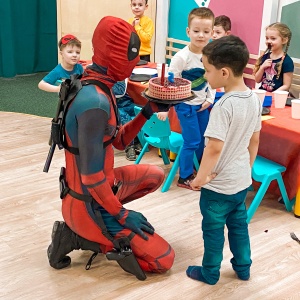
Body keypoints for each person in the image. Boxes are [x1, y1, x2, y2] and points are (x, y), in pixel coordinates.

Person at [46, 16, 174, 278]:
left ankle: (101, 227)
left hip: (102, 188)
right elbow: (91, 177)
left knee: (155, 176)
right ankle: (77, 237)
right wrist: (123, 215)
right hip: (86, 204)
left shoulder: (98, 84)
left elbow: (118, 141)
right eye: (130, 58)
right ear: (116, 56)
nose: (133, 65)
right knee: (163, 260)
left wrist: (147, 112)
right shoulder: (95, 102)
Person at [186, 35, 262, 285]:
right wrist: (247, 169)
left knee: (213, 231)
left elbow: (214, 149)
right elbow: (254, 140)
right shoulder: (254, 98)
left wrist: (200, 178)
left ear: (225, 72)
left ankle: (209, 273)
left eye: (208, 71)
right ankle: (243, 267)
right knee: (239, 227)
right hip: (240, 182)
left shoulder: (223, 106)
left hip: (217, 187)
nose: (206, 76)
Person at [158, 7, 216, 190]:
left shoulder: (212, 55)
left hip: (202, 105)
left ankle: (198, 169)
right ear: (188, 31)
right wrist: (165, 108)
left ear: (212, 33)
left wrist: (211, 98)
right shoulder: (181, 58)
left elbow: (214, 77)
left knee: (203, 139)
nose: (201, 35)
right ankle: (184, 176)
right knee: (191, 141)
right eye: (196, 31)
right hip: (186, 105)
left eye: (206, 32)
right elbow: (169, 84)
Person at [253, 22, 294, 92]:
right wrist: (262, 67)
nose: (268, 41)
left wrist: (273, 94)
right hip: (263, 93)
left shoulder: (287, 61)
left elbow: (286, 86)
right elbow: (257, 80)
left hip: (277, 96)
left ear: (284, 40)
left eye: (273, 38)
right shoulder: (265, 57)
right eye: (267, 38)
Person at [112, 80, 142, 161]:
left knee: (140, 110)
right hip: (112, 104)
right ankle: (130, 145)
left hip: (126, 102)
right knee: (123, 116)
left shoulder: (120, 70)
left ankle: (137, 139)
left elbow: (120, 91)